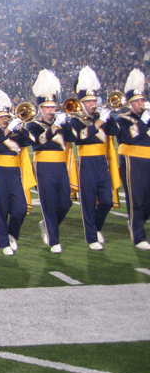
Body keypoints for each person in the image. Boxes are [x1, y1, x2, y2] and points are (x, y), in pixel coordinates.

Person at [67, 66, 120, 250]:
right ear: (81, 103)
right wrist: (99, 122)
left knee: (106, 200)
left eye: (94, 100)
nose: (92, 104)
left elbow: (115, 132)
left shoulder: (102, 118)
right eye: (89, 101)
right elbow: (79, 137)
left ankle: (96, 228)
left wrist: (109, 117)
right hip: (86, 163)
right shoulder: (75, 119)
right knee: (88, 202)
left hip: (101, 162)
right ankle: (91, 238)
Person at [0, 88, 36, 255]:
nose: (5, 119)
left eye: (6, 117)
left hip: (15, 172)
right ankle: (3, 242)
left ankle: (12, 234)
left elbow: (30, 141)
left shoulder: (17, 132)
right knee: (0, 209)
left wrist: (21, 125)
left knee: (20, 208)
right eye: (2, 118)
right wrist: (9, 129)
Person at [25, 70, 75, 253]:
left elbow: (73, 138)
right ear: (40, 109)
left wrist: (66, 123)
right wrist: (55, 127)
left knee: (66, 203)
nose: (51, 110)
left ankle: (46, 224)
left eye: (53, 106)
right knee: (48, 202)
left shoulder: (61, 124)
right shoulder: (33, 125)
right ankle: (54, 240)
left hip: (61, 165)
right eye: (47, 107)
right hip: (44, 165)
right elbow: (39, 143)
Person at [115, 69, 150, 250]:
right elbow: (129, 137)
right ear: (130, 104)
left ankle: (136, 222)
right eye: (137, 101)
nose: (141, 104)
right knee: (136, 197)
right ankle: (138, 236)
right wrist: (143, 120)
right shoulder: (123, 119)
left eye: (142, 100)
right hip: (132, 160)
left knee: (147, 201)